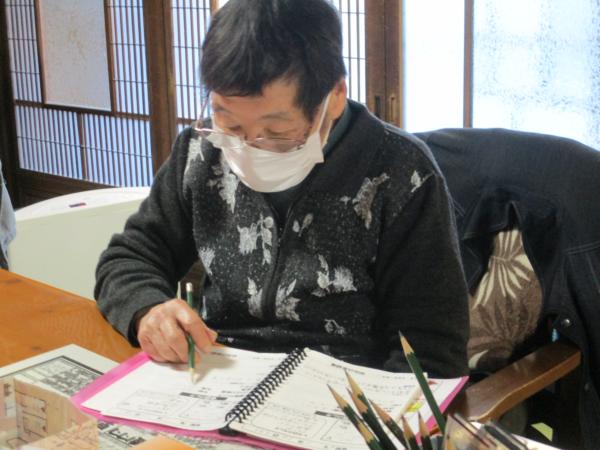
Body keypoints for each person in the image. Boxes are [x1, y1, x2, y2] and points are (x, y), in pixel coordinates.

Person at [95, 0, 469, 378]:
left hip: (346, 388)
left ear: (335, 96)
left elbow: (431, 353)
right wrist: (148, 310)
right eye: (229, 124)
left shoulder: (403, 175)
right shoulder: (201, 153)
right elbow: (130, 257)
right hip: (217, 373)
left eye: (276, 133)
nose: (248, 148)